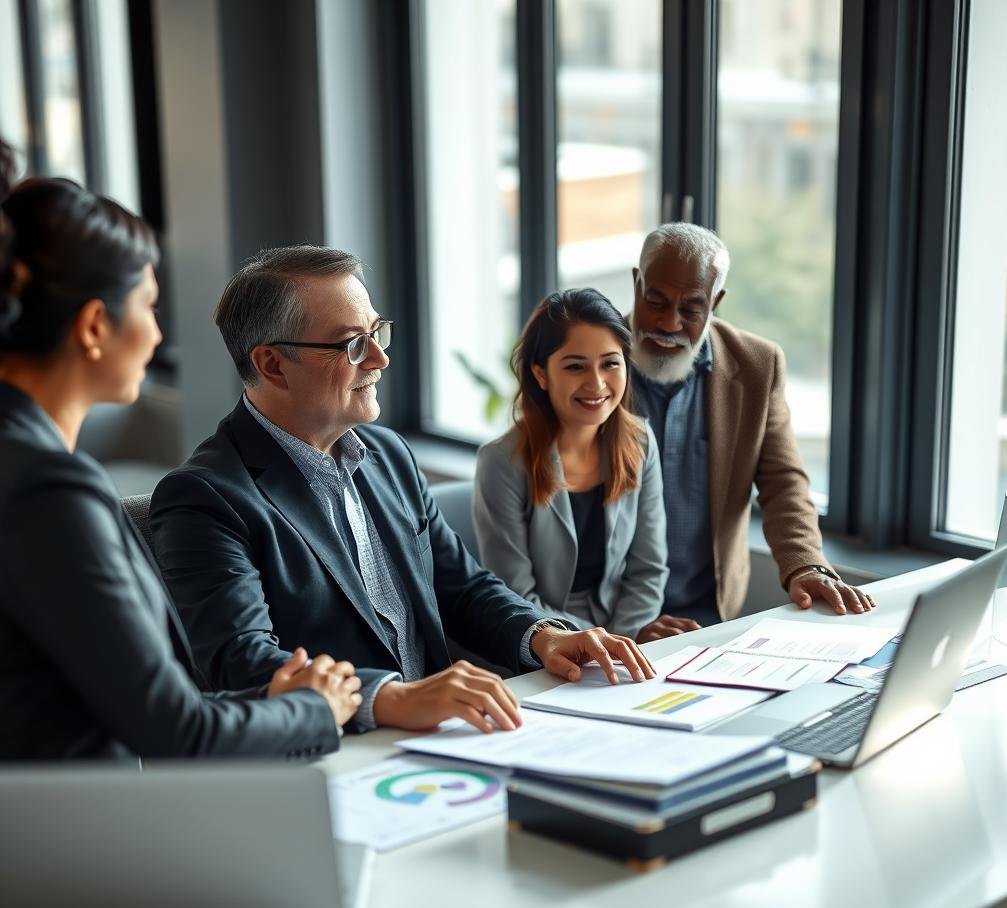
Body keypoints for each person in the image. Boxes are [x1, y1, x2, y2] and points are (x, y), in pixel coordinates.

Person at [150, 247, 654, 737]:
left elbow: (462, 587)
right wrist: (387, 698)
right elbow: (243, 664)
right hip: (335, 754)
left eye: (377, 332)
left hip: (443, 735)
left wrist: (542, 635)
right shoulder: (204, 499)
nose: (381, 358)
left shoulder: (387, 454)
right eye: (353, 344)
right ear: (273, 365)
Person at [0, 173, 362, 760]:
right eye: (148, 305)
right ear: (94, 326)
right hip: (76, 834)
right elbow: (175, 729)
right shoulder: (47, 490)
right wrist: (316, 708)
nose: (158, 333)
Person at [628, 222, 876, 631]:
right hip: (607, 614)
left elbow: (784, 482)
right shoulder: (590, 362)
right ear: (637, 284)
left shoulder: (758, 364)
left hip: (709, 610)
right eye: (655, 300)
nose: (669, 323)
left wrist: (806, 565)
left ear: (716, 300)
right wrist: (622, 623)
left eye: (690, 308)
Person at [474, 288, 688, 645]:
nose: (597, 384)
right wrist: (596, 640)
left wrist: (627, 637)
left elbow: (648, 569)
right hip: (542, 643)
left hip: (626, 637)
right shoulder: (501, 462)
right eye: (575, 366)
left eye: (610, 363)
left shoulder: (640, 442)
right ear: (541, 374)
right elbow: (516, 596)